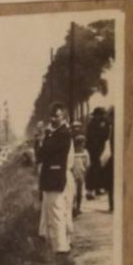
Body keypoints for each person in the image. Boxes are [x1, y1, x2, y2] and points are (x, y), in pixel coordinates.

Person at [35, 102, 73, 254]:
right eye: (52, 116)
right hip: (51, 178)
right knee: (53, 213)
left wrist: (45, 136)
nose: (53, 119)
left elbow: (44, 152)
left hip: (54, 178)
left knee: (56, 213)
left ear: (63, 117)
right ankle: (58, 247)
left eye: (56, 116)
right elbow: (40, 155)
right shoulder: (57, 133)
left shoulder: (62, 133)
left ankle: (61, 249)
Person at [85, 107, 110, 199]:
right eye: (100, 115)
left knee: (97, 168)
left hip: (98, 149)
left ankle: (95, 188)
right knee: (94, 168)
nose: (101, 116)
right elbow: (92, 137)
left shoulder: (103, 123)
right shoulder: (92, 124)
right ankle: (91, 189)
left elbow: (106, 135)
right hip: (93, 150)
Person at [72, 133, 90, 216]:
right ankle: (73, 208)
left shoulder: (85, 152)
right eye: (82, 142)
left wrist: (85, 170)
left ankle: (78, 208)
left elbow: (87, 163)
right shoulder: (73, 152)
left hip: (81, 174)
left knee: (79, 192)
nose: (83, 144)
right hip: (73, 174)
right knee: (74, 192)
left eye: (83, 142)